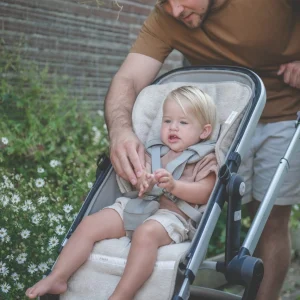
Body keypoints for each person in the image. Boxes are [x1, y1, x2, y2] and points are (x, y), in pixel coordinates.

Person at [104, 1, 300, 299]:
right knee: (211, 210)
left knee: (270, 219)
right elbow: (128, 78)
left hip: (283, 113)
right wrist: (120, 131)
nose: (174, 10)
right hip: (219, 126)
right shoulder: (167, 17)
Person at [25, 86, 218, 300]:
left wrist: (175, 186)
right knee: (90, 223)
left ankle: (121, 295)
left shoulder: (206, 159)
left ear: (204, 131)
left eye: (183, 122)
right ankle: (58, 277)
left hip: (173, 216)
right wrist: (142, 179)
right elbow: (137, 179)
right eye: (167, 121)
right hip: (139, 205)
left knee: (145, 234)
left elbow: (205, 193)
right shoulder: (153, 150)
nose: (173, 128)